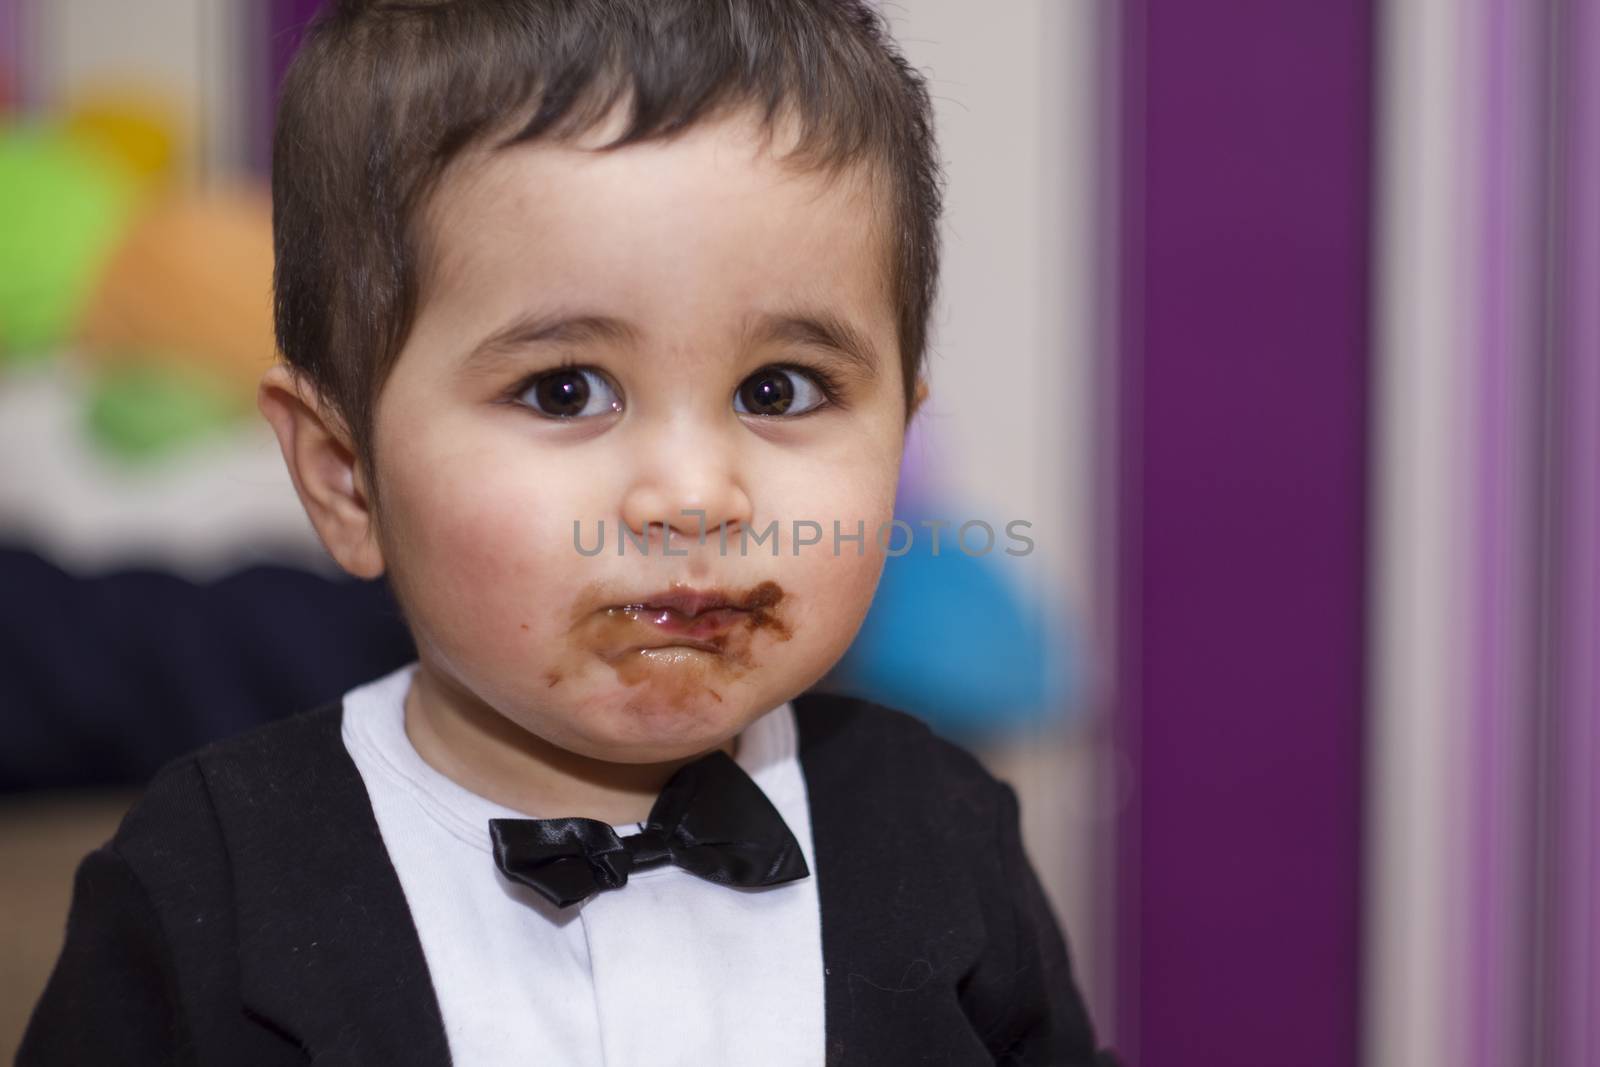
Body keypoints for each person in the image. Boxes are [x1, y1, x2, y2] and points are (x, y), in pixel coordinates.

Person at [19, 1, 1120, 1063]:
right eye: (562, 390)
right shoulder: (213, 875)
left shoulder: (943, 827)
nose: (694, 494)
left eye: (779, 389)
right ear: (347, 476)